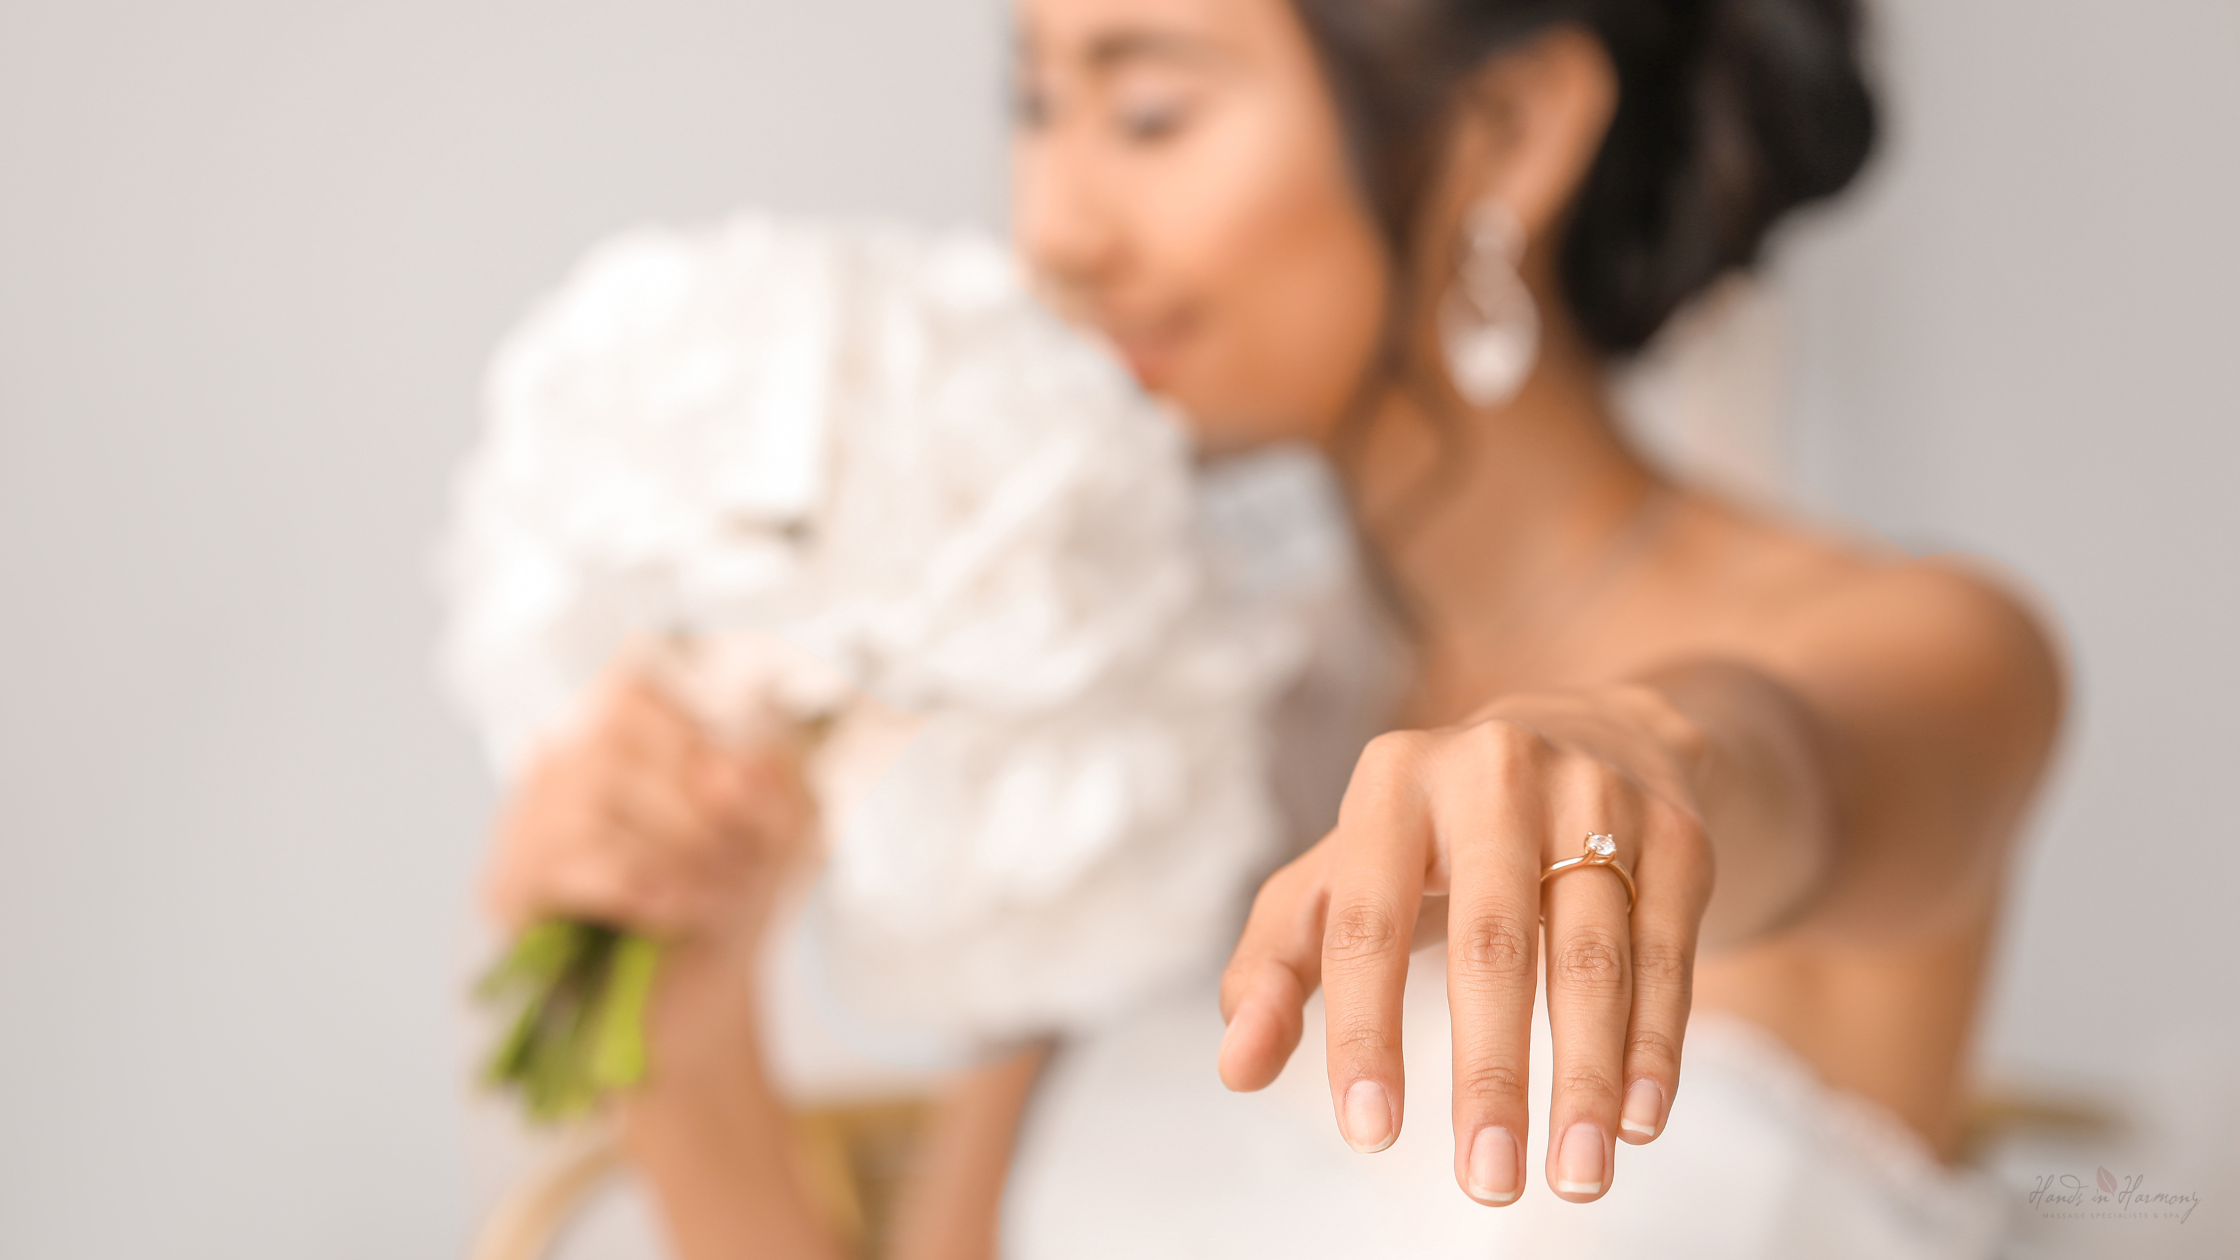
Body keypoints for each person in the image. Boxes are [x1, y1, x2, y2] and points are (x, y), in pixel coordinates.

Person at [477, 0, 2064, 1255]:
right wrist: (686, 1034)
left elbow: (1802, 779)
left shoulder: (1931, 645)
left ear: (1509, 133)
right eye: (1036, 104)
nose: (1057, 229)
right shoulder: (1143, 728)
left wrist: (1638, 764)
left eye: (1148, 112)